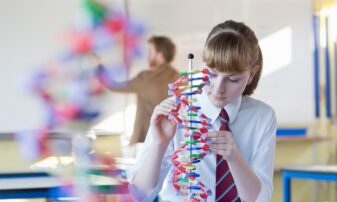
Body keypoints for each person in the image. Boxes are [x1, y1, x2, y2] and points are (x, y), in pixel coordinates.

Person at [128, 20, 277, 202]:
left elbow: (261, 199)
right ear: (202, 64)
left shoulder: (262, 117)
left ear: (251, 74)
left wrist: (234, 157)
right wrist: (159, 144)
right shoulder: (176, 112)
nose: (218, 88)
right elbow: (139, 196)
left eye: (232, 79)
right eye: (211, 73)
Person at [95, 36, 180, 145]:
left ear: (160, 55)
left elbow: (113, 85)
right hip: (171, 142)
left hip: (145, 141)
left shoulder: (146, 78)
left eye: (150, 51)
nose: (147, 56)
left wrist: (98, 67)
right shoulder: (179, 78)